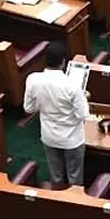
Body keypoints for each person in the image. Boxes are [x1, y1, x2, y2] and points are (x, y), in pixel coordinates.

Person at [21, 46, 88, 187]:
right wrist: (84, 97)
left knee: (56, 177)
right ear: (63, 62)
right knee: (74, 179)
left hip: (49, 137)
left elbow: (29, 108)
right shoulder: (72, 85)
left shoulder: (32, 79)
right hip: (72, 140)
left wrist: (46, 103)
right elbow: (82, 115)